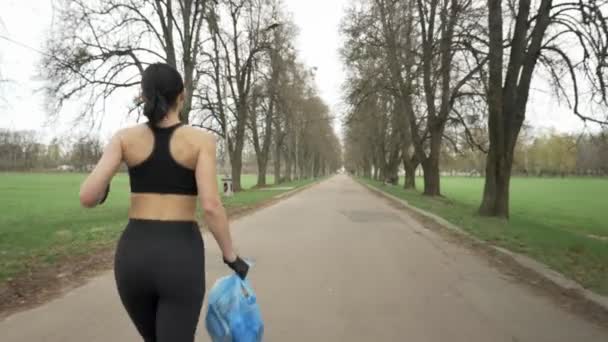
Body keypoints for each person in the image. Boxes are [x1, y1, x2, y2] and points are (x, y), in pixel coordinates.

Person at [78, 63, 249, 342]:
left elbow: (88, 196)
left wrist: (104, 184)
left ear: (144, 97)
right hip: (179, 256)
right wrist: (231, 257)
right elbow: (211, 206)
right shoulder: (201, 140)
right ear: (182, 95)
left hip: (133, 256)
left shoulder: (124, 138)